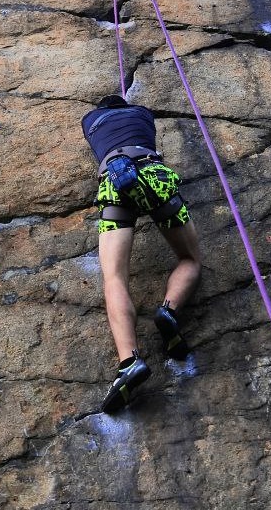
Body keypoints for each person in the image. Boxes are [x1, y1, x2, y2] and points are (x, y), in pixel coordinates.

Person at [81, 94, 202, 413]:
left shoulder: (90, 122)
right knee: (190, 260)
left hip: (115, 181)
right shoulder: (143, 114)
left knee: (114, 278)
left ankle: (128, 362)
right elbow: (141, 120)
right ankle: (169, 311)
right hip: (152, 175)